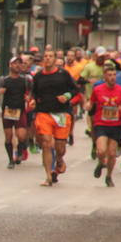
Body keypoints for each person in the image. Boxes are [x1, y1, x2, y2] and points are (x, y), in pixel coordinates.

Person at [32, 49, 78, 186]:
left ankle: (59, 160)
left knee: (60, 148)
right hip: (44, 113)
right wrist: (33, 101)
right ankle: (48, 176)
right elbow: (34, 93)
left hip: (61, 113)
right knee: (46, 143)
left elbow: (74, 89)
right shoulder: (38, 76)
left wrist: (67, 97)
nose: (47, 58)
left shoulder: (63, 74)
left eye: (50, 56)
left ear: (54, 59)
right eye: (45, 56)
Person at [87, 63, 121, 187]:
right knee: (101, 151)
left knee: (112, 154)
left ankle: (109, 176)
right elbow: (91, 102)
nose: (112, 77)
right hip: (101, 123)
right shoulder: (98, 89)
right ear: (104, 77)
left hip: (116, 125)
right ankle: (101, 163)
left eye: (114, 75)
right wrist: (88, 106)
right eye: (109, 75)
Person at [0, 55, 32, 169]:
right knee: (8, 136)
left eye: (19, 63)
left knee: (21, 135)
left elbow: (31, 91)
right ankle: (10, 160)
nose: (17, 65)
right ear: (10, 65)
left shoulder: (25, 80)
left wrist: (29, 98)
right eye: (15, 63)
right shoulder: (4, 80)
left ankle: (20, 150)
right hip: (8, 110)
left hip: (20, 110)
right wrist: (0, 92)